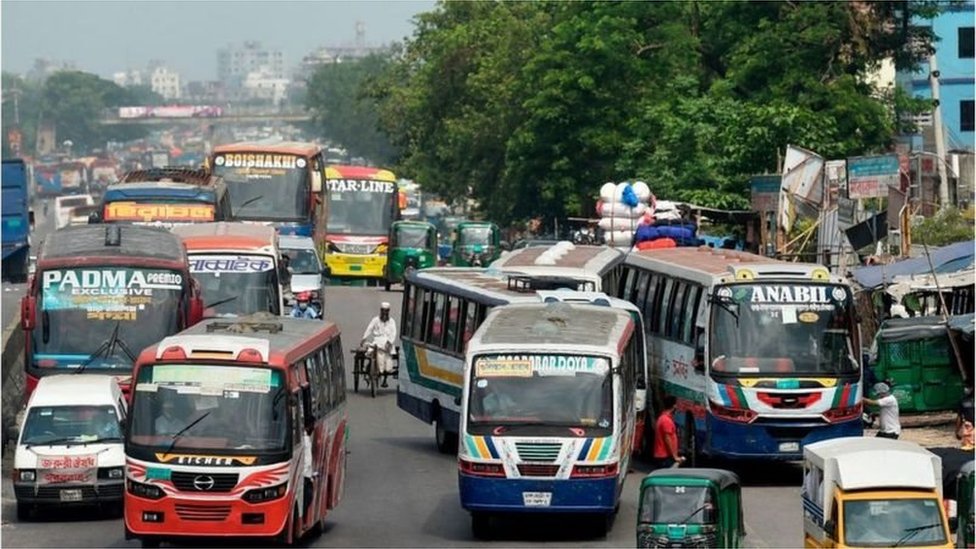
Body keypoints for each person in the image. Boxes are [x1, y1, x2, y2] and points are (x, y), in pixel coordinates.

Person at [361, 302, 398, 387]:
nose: (384, 313)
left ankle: (384, 378)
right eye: (383, 311)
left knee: (387, 360)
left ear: (388, 312)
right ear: (380, 311)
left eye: (386, 311)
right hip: (377, 341)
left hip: (387, 343)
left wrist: (390, 342)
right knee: (372, 351)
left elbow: (394, 333)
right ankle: (372, 367)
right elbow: (369, 329)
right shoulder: (375, 320)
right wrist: (364, 338)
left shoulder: (391, 321)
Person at [652, 395, 685, 470]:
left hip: (664, 457)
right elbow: (668, 439)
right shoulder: (666, 420)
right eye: (676, 405)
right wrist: (675, 456)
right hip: (665, 457)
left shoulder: (663, 418)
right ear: (674, 406)